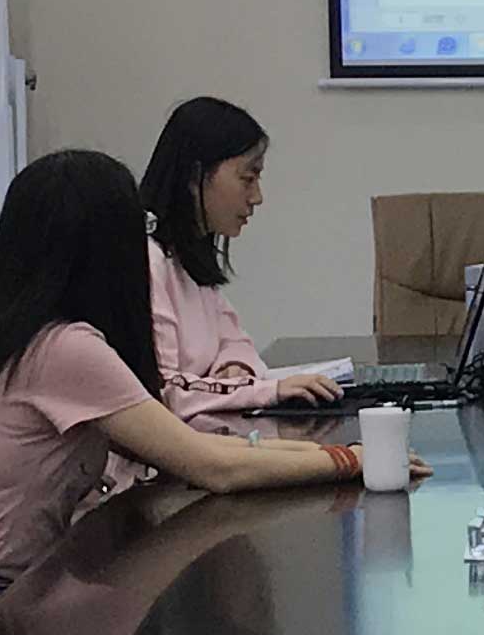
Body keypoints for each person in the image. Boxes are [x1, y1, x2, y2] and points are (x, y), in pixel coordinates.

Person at [0, 148, 373, 584]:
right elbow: (213, 467)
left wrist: (342, 456)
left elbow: (191, 449)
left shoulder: (15, 334)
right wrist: (347, 461)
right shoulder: (62, 350)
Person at [142, 95, 348, 417]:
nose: (257, 197)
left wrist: (235, 367)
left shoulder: (189, 260)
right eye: (247, 179)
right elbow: (161, 391)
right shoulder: (148, 261)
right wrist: (265, 390)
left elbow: (236, 341)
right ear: (195, 176)